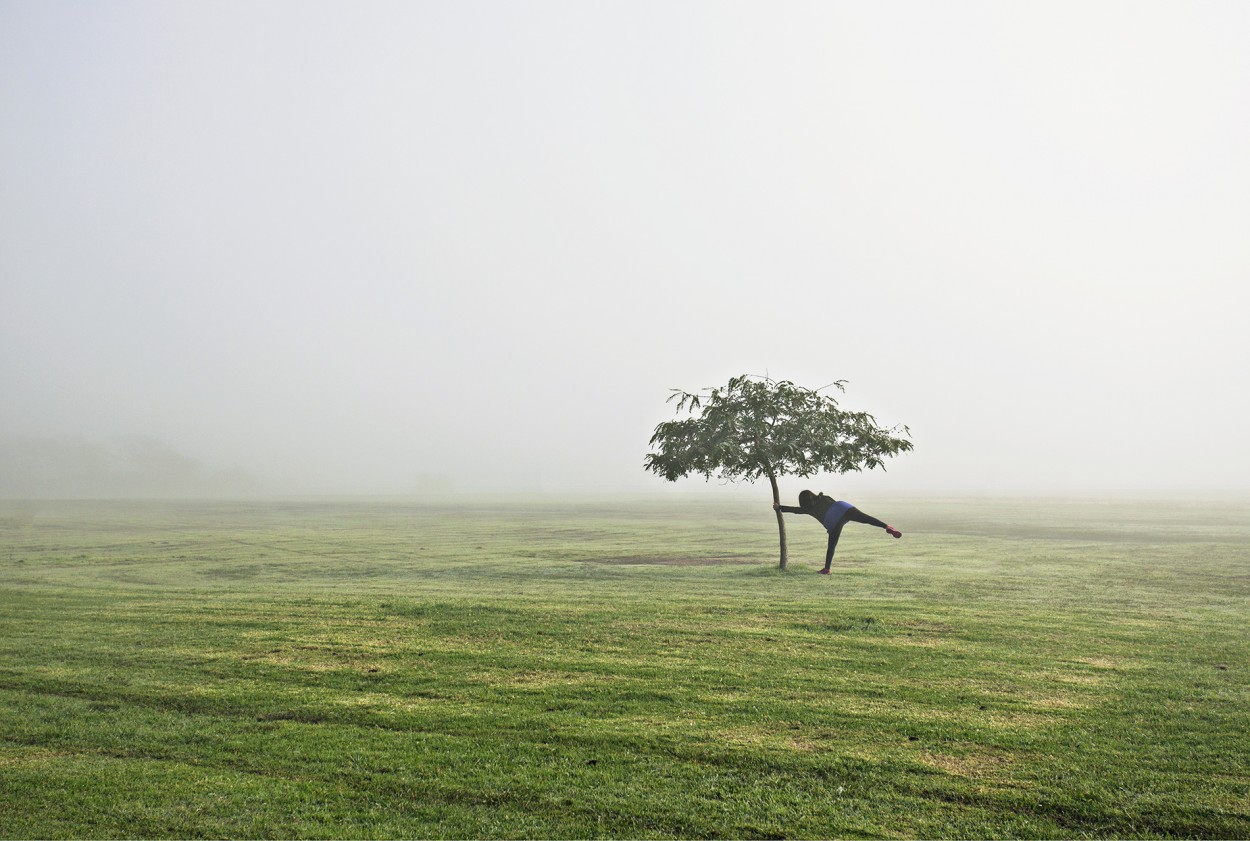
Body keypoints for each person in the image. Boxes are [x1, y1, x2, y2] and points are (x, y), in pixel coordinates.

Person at [775, 490, 901, 574]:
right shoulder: (823, 497)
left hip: (833, 520)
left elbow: (795, 510)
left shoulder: (808, 508)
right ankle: (886, 526)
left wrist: (779, 508)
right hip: (843, 507)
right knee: (866, 518)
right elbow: (832, 502)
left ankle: (827, 569)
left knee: (832, 545)